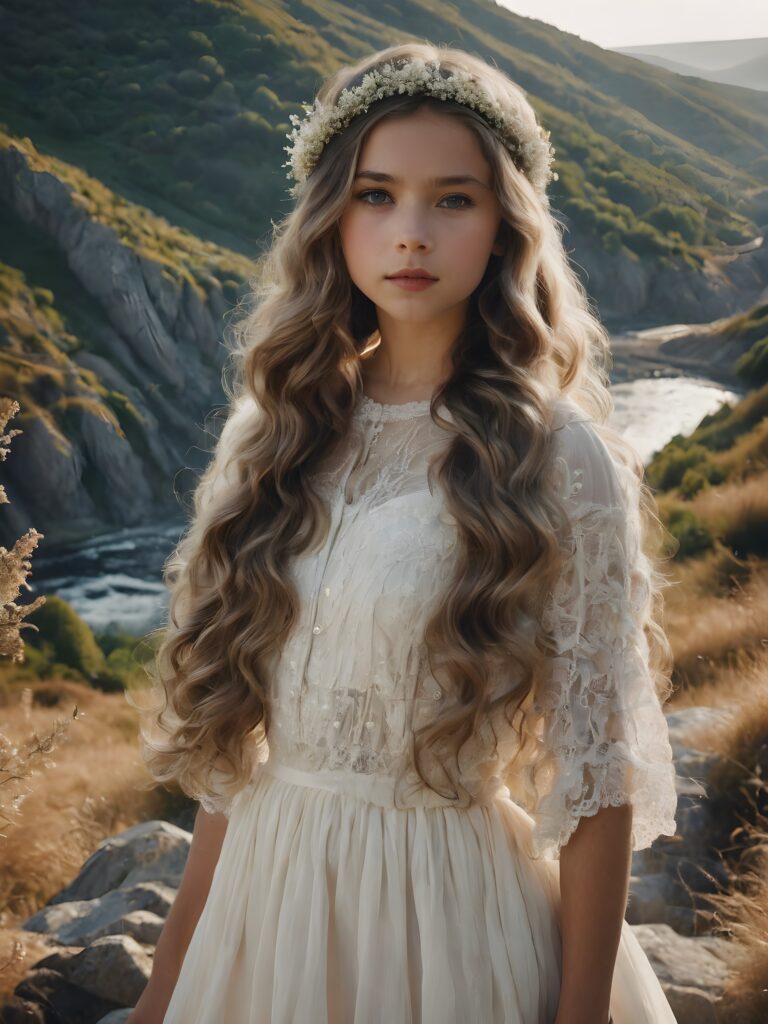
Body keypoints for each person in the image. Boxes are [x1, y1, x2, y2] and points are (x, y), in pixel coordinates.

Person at [127, 41, 681, 1024]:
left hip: (445, 923)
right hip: (263, 905)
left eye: (453, 199)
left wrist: (583, 1016)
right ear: (330, 215)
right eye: (377, 195)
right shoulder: (271, 437)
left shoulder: (560, 457)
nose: (411, 234)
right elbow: (233, 763)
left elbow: (599, 782)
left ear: (505, 222)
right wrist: (169, 988)